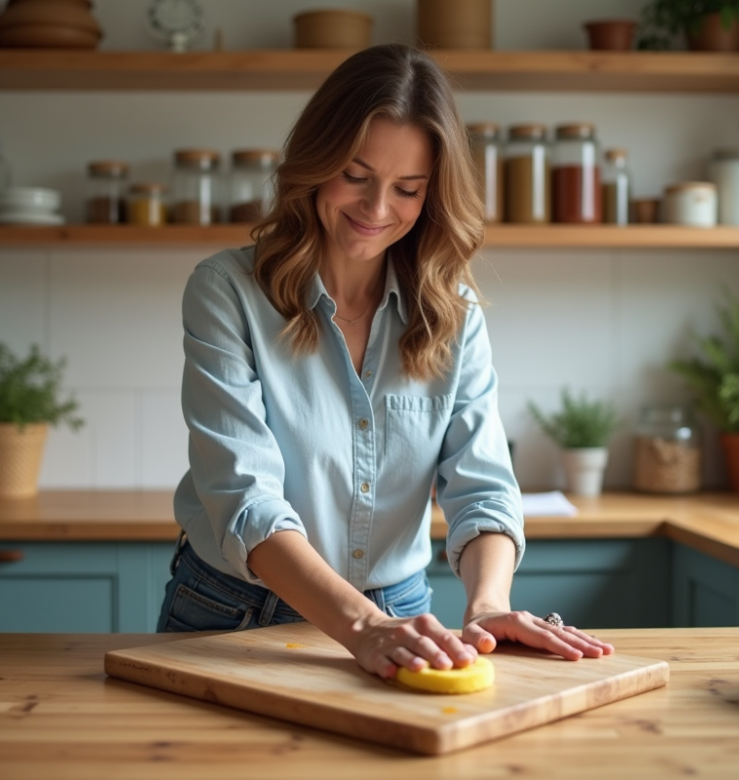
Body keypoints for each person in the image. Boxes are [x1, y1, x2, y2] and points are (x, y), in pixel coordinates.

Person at [157, 43, 613, 680]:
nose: (376, 209)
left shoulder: (454, 315)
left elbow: (481, 490)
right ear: (315, 162)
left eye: (407, 188)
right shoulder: (226, 291)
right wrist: (362, 627)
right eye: (355, 174)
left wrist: (485, 607)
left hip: (400, 614)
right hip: (233, 613)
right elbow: (244, 500)